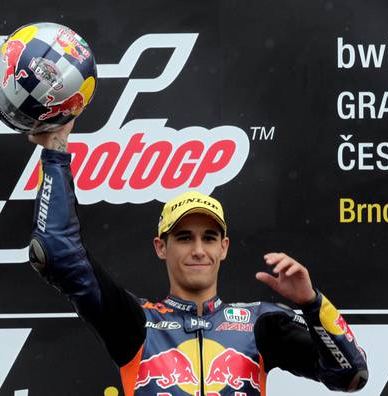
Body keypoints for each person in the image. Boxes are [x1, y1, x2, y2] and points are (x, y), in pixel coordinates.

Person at [27, 122, 368, 396]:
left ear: (224, 247)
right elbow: (56, 254)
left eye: (209, 238)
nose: (199, 250)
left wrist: (311, 303)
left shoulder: (260, 325)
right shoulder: (136, 324)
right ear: (161, 247)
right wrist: (56, 151)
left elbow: (350, 375)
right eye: (184, 238)